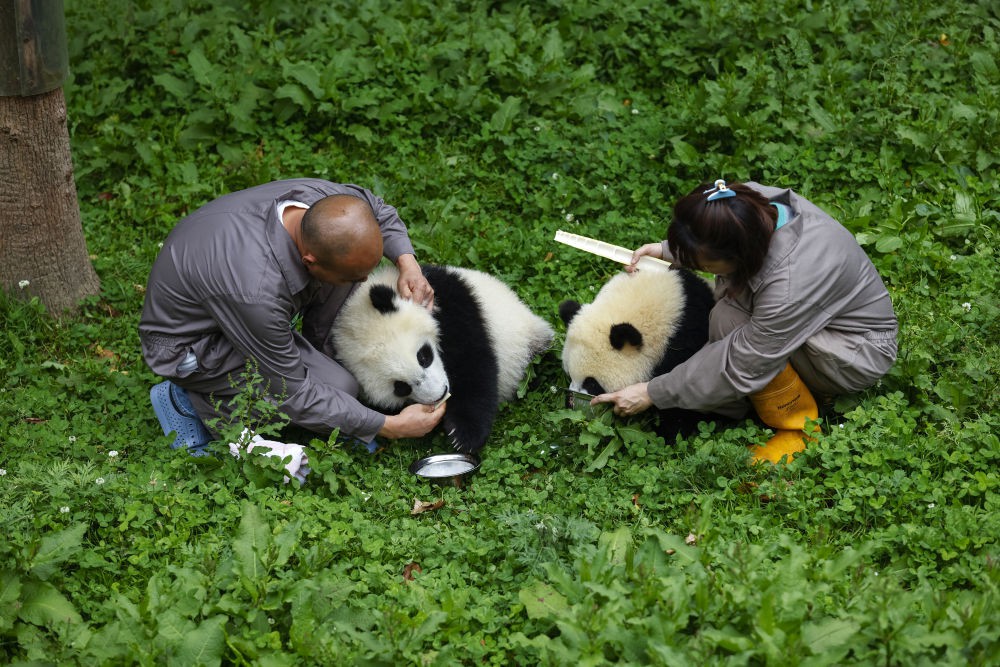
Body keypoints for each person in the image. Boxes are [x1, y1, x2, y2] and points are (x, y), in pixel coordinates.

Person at [591, 179, 898, 462]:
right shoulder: (742, 204)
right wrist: (667, 250)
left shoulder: (791, 281)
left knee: (730, 323)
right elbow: (714, 235)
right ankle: (737, 396)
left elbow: (743, 361)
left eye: (703, 263)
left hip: (855, 352)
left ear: (743, 256)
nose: (696, 265)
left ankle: (796, 423)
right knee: (727, 317)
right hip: (816, 319)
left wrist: (652, 392)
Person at [140, 178, 445, 454]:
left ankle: (325, 375)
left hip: (236, 301)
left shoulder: (328, 203)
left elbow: (377, 210)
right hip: (195, 346)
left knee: (336, 377)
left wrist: (408, 265)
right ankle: (192, 402)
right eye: (355, 275)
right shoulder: (256, 291)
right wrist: (388, 426)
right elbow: (293, 392)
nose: (366, 282)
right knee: (341, 389)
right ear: (308, 261)